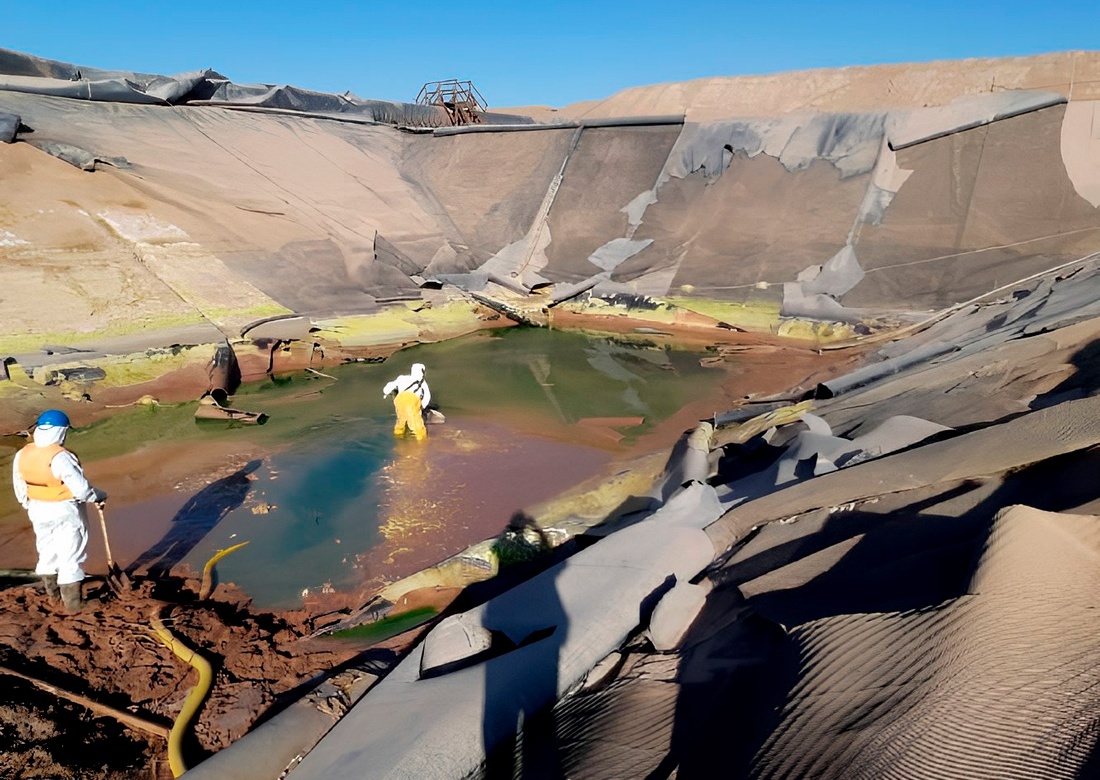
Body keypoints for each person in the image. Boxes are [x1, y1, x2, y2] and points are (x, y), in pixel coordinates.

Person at [11, 409, 106, 614]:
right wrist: (98, 496)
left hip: (36, 509)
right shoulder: (61, 457)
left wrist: (29, 505)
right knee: (71, 553)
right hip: (64, 510)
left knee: (46, 551)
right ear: (61, 431)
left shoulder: (23, 454)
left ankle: (54, 598)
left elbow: (19, 485)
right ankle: (74, 605)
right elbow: (81, 489)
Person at [382, 362, 431, 440]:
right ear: (423, 372)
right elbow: (427, 397)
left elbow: (388, 387)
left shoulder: (402, 378)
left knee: (400, 422)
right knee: (417, 426)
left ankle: (398, 440)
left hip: (399, 400)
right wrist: (420, 408)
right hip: (412, 400)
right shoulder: (422, 382)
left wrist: (386, 392)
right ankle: (422, 445)